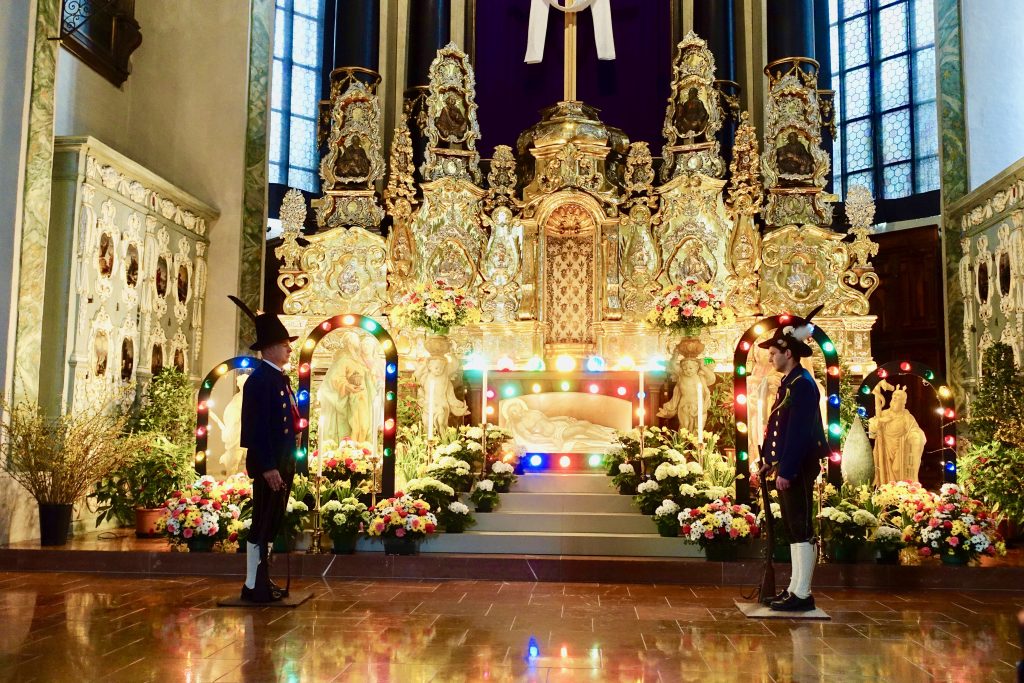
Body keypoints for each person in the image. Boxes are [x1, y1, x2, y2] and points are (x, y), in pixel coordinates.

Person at [751, 305, 827, 612]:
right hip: (786, 465)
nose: (770, 358)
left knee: (801, 526)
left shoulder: (803, 385)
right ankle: (795, 588)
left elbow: (798, 433)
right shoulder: (792, 383)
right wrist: (771, 461)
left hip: (798, 466)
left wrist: (789, 467)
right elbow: (779, 429)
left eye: (773, 353)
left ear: (788, 353)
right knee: (794, 527)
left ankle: (803, 593)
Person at [229, 295, 299, 604]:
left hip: (282, 463)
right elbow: (256, 429)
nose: (290, 348)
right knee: (261, 522)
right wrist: (269, 466)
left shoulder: (278, 379)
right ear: (270, 347)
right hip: (270, 465)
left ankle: (262, 579)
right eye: (285, 344)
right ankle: (252, 583)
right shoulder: (260, 381)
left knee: (272, 522)